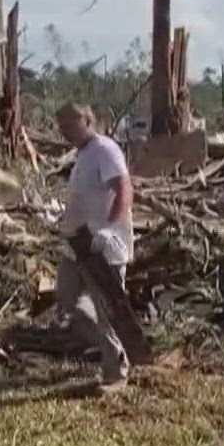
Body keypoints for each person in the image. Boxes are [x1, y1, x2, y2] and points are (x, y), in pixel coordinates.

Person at [54, 101, 134, 392]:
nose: (64, 132)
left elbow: (124, 189)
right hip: (77, 245)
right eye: (61, 127)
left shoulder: (105, 150)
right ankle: (108, 347)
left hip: (103, 247)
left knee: (107, 309)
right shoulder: (83, 155)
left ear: (87, 121)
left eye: (70, 126)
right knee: (68, 299)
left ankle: (116, 374)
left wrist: (110, 228)